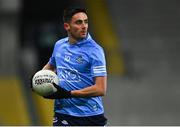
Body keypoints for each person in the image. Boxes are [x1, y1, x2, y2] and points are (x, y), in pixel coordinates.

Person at [37, 7, 108, 126]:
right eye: (79, 22)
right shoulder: (59, 45)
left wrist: (69, 94)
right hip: (63, 113)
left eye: (86, 21)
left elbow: (100, 88)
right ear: (67, 26)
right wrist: (38, 79)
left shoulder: (95, 51)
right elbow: (50, 66)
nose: (84, 26)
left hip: (90, 116)